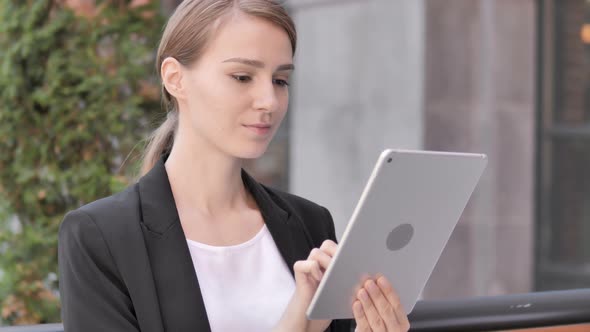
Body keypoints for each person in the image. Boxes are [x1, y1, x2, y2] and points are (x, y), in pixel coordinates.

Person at [57, 0, 411, 331]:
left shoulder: (310, 224)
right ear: (175, 78)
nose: (269, 101)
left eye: (280, 80)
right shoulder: (100, 237)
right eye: (242, 77)